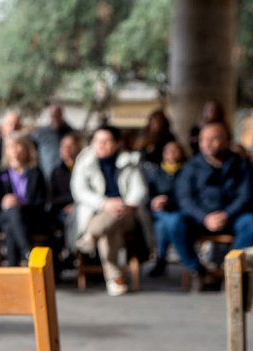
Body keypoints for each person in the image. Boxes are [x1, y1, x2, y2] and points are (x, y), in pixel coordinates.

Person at [71, 125, 149, 296]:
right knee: (109, 229)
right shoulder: (84, 161)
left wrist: (125, 204)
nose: (102, 145)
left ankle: (91, 235)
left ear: (117, 143)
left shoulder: (130, 161)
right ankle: (114, 278)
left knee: (116, 213)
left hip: (127, 212)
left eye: (107, 141)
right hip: (96, 212)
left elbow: (140, 190)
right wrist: (104, 203)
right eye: (98, 141)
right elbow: (79, 191)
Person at [175, 122, 253, 290]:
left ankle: (231, 270)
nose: (207, 144)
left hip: (232, 217)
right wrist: (204, 217)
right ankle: (197, 271)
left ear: (226, 140)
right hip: (200, 220)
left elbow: (245, 195)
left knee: (250, 223)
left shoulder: (239, 164)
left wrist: (226, 214)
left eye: (213, 139)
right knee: (174, 223)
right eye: (203, 140)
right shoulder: (191, 166)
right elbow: (185, 198)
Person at [0, 134, 49, 266]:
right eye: (10, 147)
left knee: (11, 225)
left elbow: (41, 202)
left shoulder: (36, 172)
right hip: (3, 215)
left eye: (17, 145)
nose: (14, 150)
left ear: (26, 148)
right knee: (12, 213)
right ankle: (26, 252)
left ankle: (13, 268)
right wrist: (5, 203)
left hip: (29, 216)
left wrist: (21, 204)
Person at [144, 140, 188, 279]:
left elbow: (187, 196)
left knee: (165, 224)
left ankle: (161, 259)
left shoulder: (186, 172)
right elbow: (147, 195)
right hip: (160, 212)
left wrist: (169, 202)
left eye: (175, 151)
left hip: (179, 210)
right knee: (162, 222)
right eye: (168, 151)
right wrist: (153, 201)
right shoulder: (156, 173)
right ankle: (180, 257)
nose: (171, 154)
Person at [50, 132, 81, 257]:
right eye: (63, 146)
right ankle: (69, 251)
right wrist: (68, 204)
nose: (67, 149)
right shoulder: (56, 172)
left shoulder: (84, 167)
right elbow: (52, 199)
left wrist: (76, 204)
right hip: (63, 211)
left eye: (70, 145)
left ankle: (72, 251)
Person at [33, 103, 75, 179]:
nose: (55, 117)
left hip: (66, 174)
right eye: (53, 115)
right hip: (47, 173)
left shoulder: (70, 132)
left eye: (57, 115)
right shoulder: (42, 133)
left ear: (62, 115)